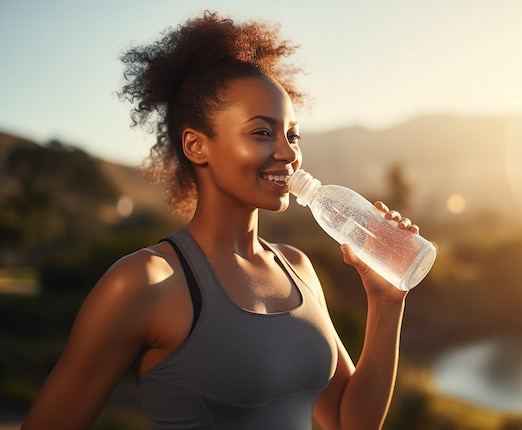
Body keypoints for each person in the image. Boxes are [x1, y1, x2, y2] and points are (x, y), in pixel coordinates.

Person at [21, 11, 421, 430]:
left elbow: (349, 423)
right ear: (196, 146)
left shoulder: (298, 268)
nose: (288, 153)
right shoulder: (144, 282)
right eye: (263, 133)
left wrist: (388, 301)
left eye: (292, 134)